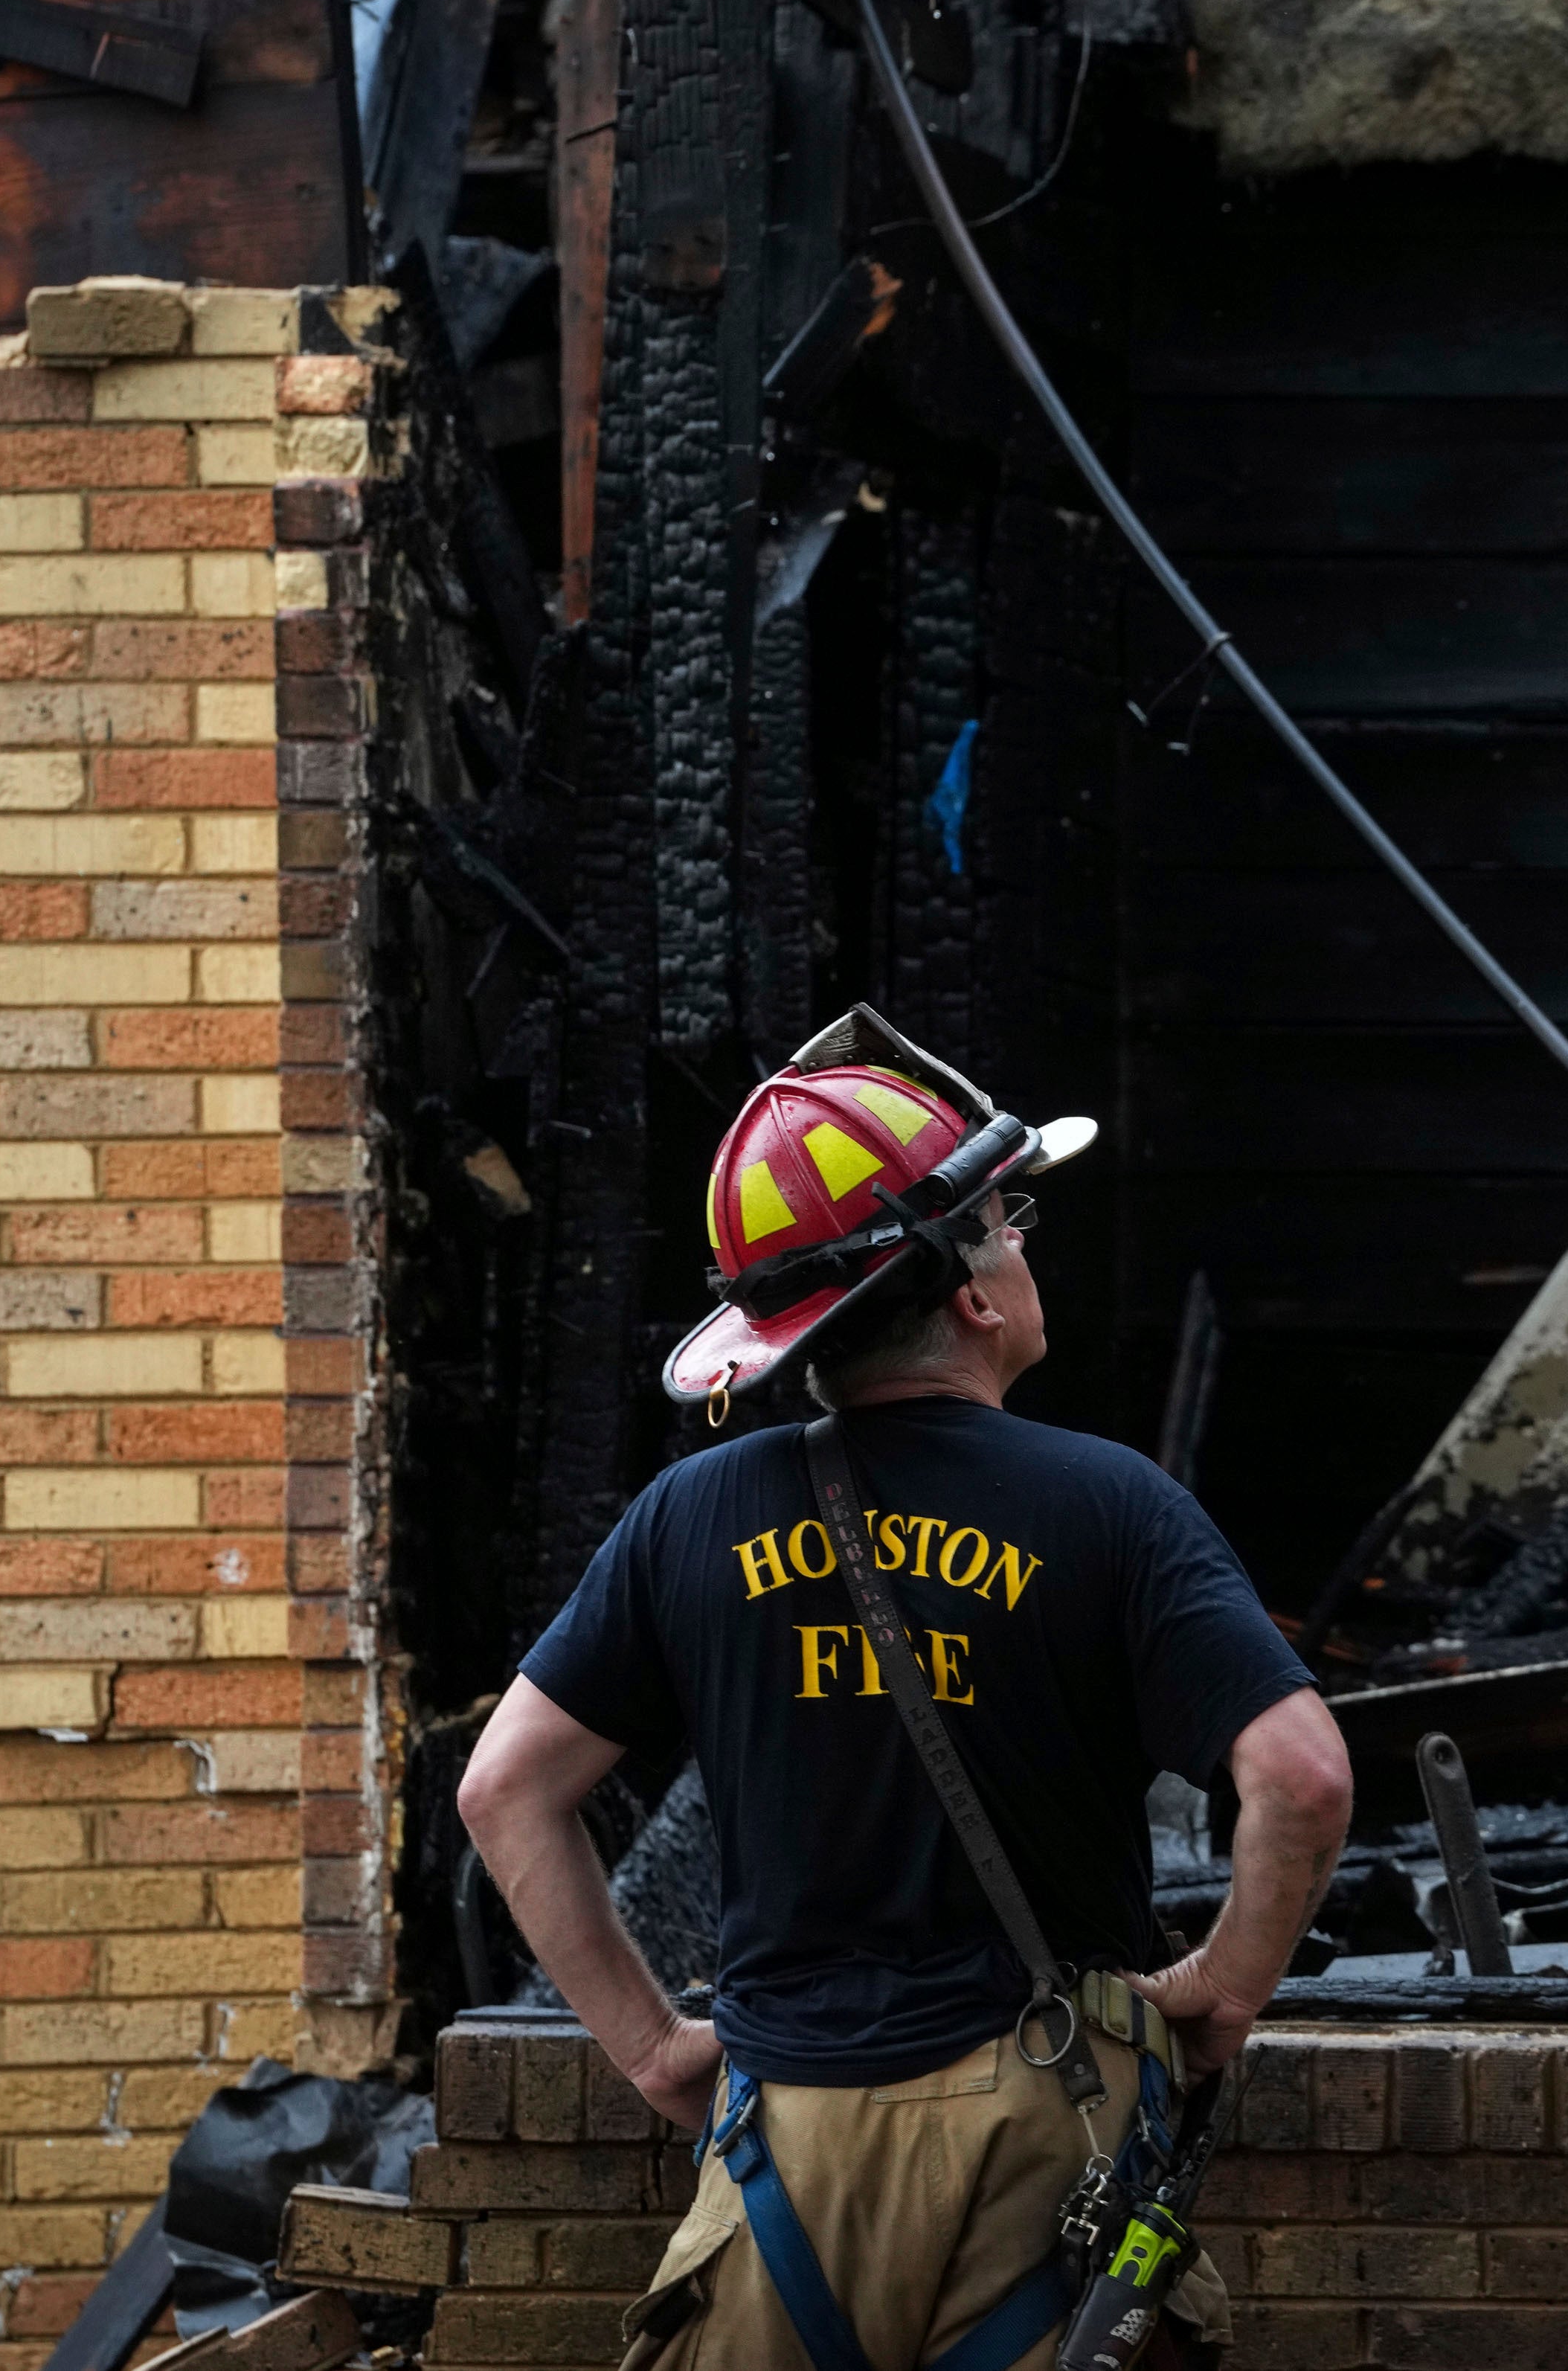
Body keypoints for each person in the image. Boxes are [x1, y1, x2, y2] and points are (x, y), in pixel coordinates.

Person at [459, 1005, 1355, 2371]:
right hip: (1051, 2141)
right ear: (975, 1294)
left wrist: (652, 2049)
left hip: (784, 2166)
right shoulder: (1110, 1506)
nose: (1019, 1247)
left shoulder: (687, 1519)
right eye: (1009, 1224)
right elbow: (1300, 1776)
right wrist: (1227, 1986)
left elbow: (505, 1788)